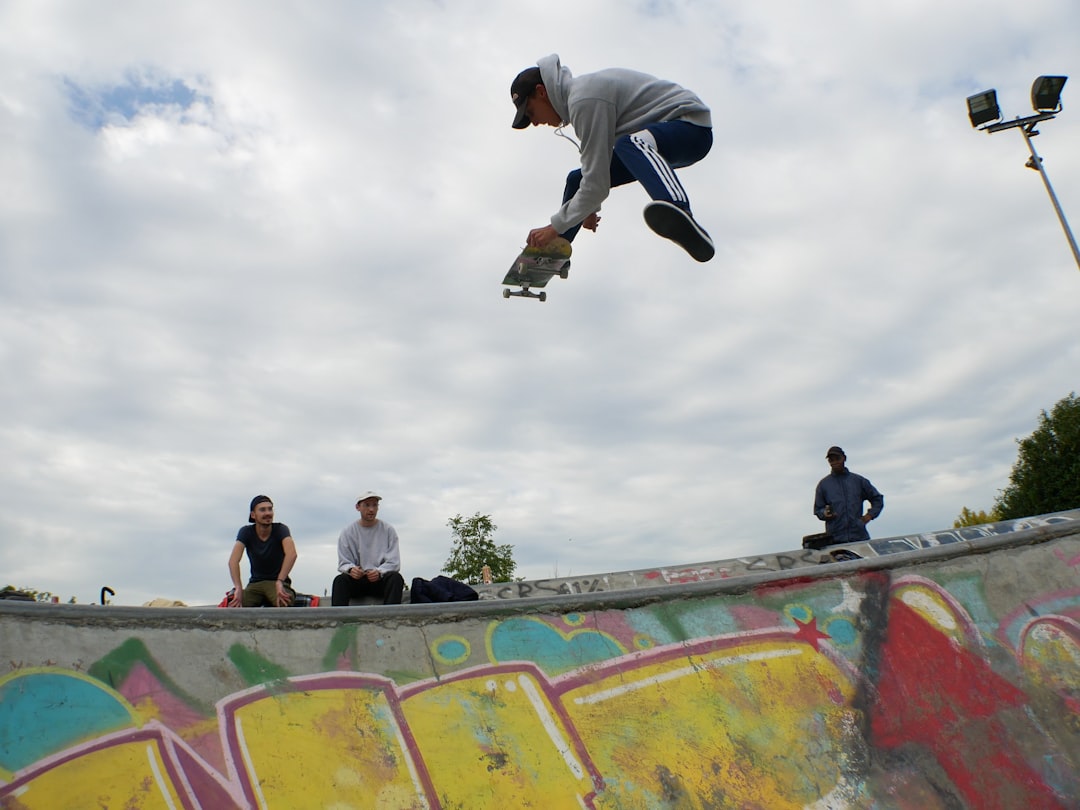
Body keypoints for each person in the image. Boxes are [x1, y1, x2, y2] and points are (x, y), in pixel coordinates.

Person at [510, 54, 715, 262]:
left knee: (629, 144)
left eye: (531, 112)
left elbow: (596, 184)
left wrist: (554, 225)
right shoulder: (581, 99)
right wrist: (586, 208)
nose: (534, 122)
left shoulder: (583, 99)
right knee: (577, 180)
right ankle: (551, 256)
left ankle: (679, 209)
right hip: (657, 140)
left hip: (690, 128)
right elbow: (594, 170)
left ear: (541, 92)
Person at [331, 491, 405, 606]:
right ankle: (338, 620)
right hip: (357, 581)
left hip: (380, 581)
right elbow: (343, 562)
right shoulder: (348, 532)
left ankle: (390, 617)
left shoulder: (388, 530)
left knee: (396, 578)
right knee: (340, 581)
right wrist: (352, 570)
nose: (371, 509)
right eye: (367, 505)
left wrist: (380, 572)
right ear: (358, 507)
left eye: (374, 505)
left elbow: (394, 562)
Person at [227, 495, 297, 607]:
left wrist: (280, 581)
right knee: (234, 605)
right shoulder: (246, 532)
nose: (268, 513)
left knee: (284, 602)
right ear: (253, 515)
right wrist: (238, 587)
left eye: (270, 509)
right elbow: (233, 561)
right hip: (255, 584)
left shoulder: (280, 529)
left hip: (276, 582)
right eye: (262, 510)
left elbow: (292, 554)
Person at [813, 447, 885, 545]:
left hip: (859, 538)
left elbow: (877, 499)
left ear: (844, 458)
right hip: (835, 541)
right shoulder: (823, 485)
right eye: (831, 460)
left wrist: (869, 516)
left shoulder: (859, 481)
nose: (834, 462)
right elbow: (818, 509)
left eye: (837, 458)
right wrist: (824, 513)